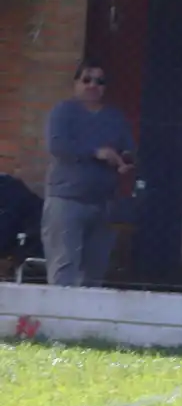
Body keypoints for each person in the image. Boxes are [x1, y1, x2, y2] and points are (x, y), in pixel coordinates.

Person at [42, 60, 135, 287]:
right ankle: (62, 319)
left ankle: (87, 322)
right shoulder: (63, 112)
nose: (93, 85)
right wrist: (96, 152)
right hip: (67, 200)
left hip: (103, 203)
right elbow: (57, 146)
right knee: (64, 268)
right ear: (76, 83)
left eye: (99, 81)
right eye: (86, 79)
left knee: (95, 272)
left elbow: (128, 149)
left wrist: (125, 161)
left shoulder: (115, 117)